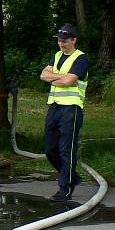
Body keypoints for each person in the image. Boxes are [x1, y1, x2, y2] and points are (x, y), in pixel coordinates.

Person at [40, 24, 88, 202]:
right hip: (54, 106)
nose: (61, 43)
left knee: (66, 149)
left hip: (71, 108)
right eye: (59, 40)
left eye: (65, 40)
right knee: (50, 149)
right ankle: (72, 177)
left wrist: (57, 77)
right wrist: (62, 78)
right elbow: (43, 75)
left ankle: (65, 188)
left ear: (74, 40)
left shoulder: (81, 58)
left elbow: (69, 81)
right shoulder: (57, 56)